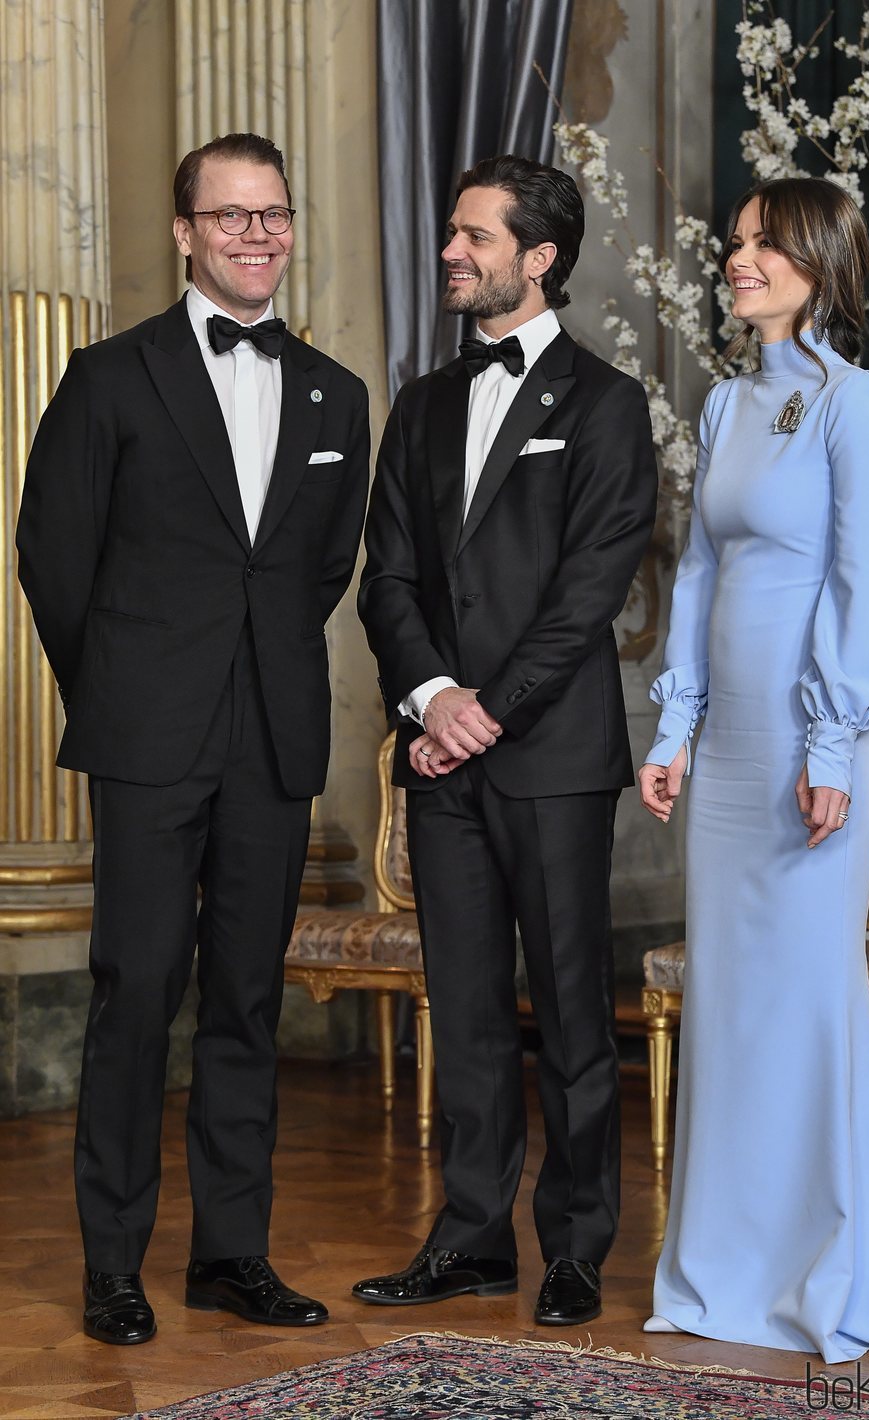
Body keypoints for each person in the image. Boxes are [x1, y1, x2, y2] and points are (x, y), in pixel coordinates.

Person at [16, 132, 369, 1345]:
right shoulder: (108, 378)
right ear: (184, 233)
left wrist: (245, 670)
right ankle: (113, 1261)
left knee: (247, 999)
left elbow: (316, 571)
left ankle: (232, 1253)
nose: (256, 235)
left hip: (271, 739)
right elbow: (53, 560)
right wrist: (123, 689)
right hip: (147, 737)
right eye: (231, 217)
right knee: (135, 990)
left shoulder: (336, 394)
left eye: (272, 214)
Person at [639, 176, 869, 1362]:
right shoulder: (727, 406)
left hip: (801, 748)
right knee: (732, 1010)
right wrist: (672, 730)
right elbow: (693, 576)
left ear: (816, 262)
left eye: (758, 245)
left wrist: (835, 742)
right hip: (726, 754)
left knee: (803, 1006)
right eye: (732, 244)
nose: (735, 261)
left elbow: (856, 582)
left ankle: (831, 1267)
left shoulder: (857, 403)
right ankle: (724, 1271)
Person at [355, 154, 657, 1326]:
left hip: (551, 757)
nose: (450, 253)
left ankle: (575, 1246)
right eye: (450, 233)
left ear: (537, 258)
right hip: (441, 755)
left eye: (473, 236)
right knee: (466, 1008)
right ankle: (471, 1237)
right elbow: (385, 579)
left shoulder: (606, 404)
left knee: (574, 1018)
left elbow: (589, 591)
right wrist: (431, 697)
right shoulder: (419, 403)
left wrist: (484, 709)